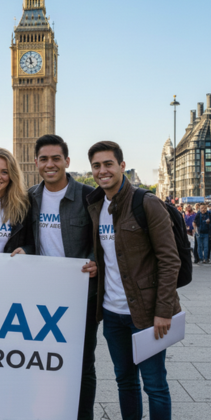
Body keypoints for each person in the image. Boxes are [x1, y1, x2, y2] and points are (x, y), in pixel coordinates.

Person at [86, 141, 180, 420]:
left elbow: (169, 260)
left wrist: (163, 311)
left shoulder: (146, 202)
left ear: (122, 166)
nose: (102, 171)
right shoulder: (95, 205)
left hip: (147, 313)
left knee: (155, 385)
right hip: (112, 313)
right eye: (96, 166)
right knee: (125, 381)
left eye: (108, 164)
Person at [28, 134, 98, 420]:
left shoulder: (89, 195)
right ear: (36, 162)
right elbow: (26, 239)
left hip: (81, 295)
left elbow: (103, 238)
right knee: (41, 360)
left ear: (67, 161)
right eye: (44, 159)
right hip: (42, 296)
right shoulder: (30, 197)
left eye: (56, 158)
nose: (50, 164)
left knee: (82, 363)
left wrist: (96, 261)